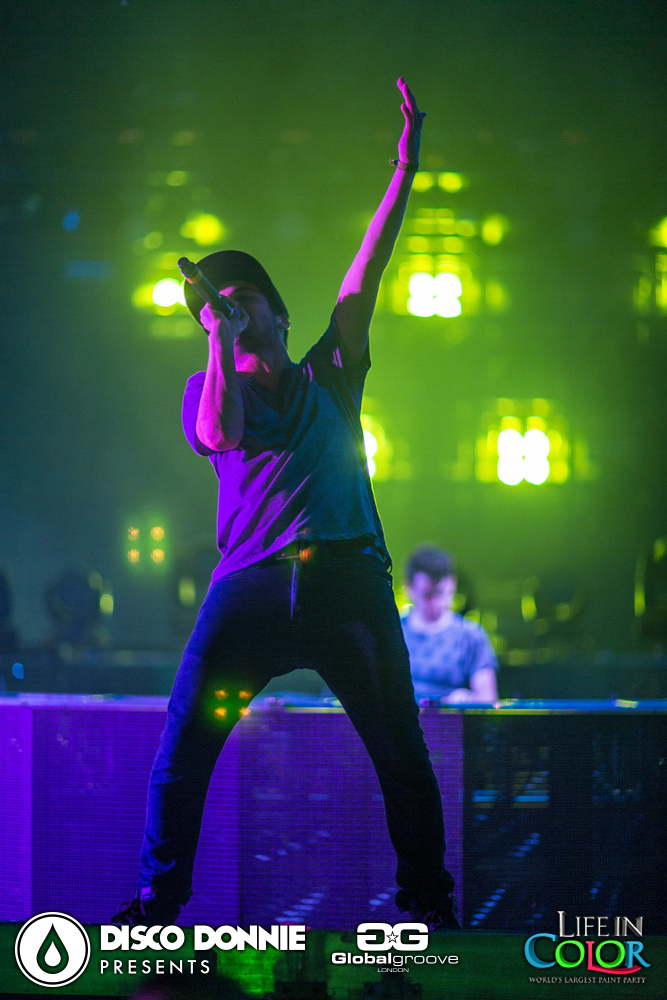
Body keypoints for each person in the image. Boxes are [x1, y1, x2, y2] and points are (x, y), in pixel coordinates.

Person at [112, 79, 460, 931]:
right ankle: (160, 904)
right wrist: (216, 341)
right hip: (252, 589)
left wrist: (405, 166)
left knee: (400, 750)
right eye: (215, 306)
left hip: (347, 583)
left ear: (278, 312)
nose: (228, 310)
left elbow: (369, 267)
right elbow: (220, 433)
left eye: (242, 300)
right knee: (184, 748)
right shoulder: (209, 386)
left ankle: (428, 905)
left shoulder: (330, 372)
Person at [402, 545, 499, 704]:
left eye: (440, 593)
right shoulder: (393, 632)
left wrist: (470, 699)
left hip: (452, 719)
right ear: (409, 588)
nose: (435, 603)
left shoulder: (471, 635)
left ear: (453, 584)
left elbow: (489, 701)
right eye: (427, 595)